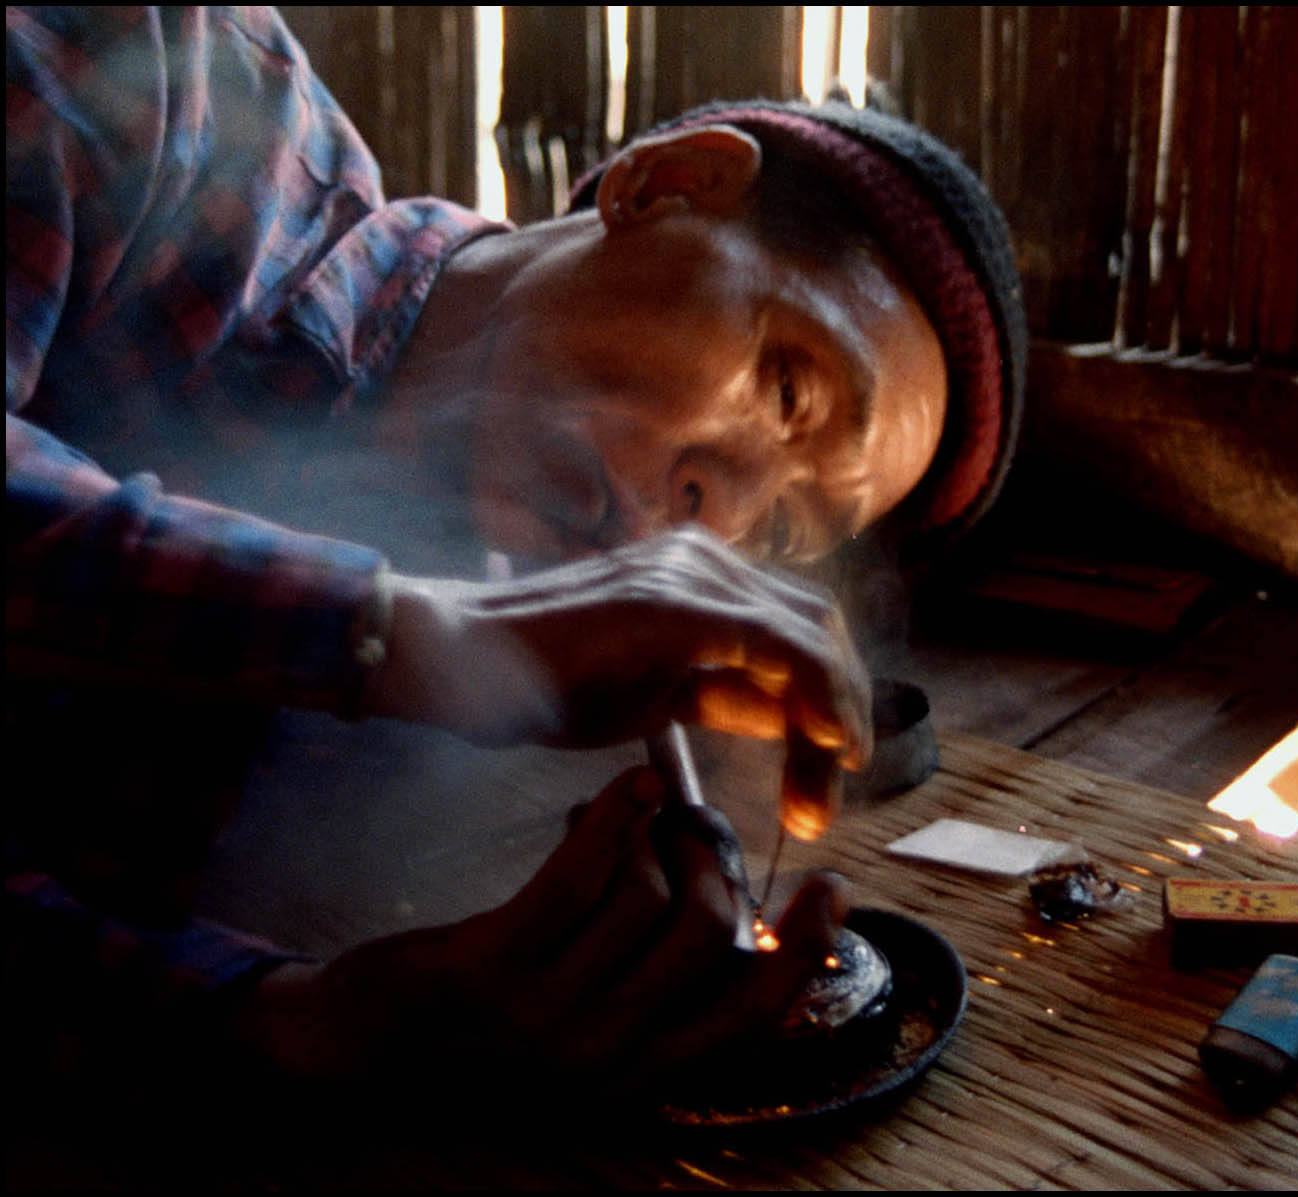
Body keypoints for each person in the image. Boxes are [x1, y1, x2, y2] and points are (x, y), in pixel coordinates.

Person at [5, 5, 1024, 1102]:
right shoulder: (165, 72)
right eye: (787, 391)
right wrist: (404, 632)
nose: (708, 514)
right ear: (666, 184)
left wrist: (300, 1015)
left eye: (775, 532)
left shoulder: (378, 749)